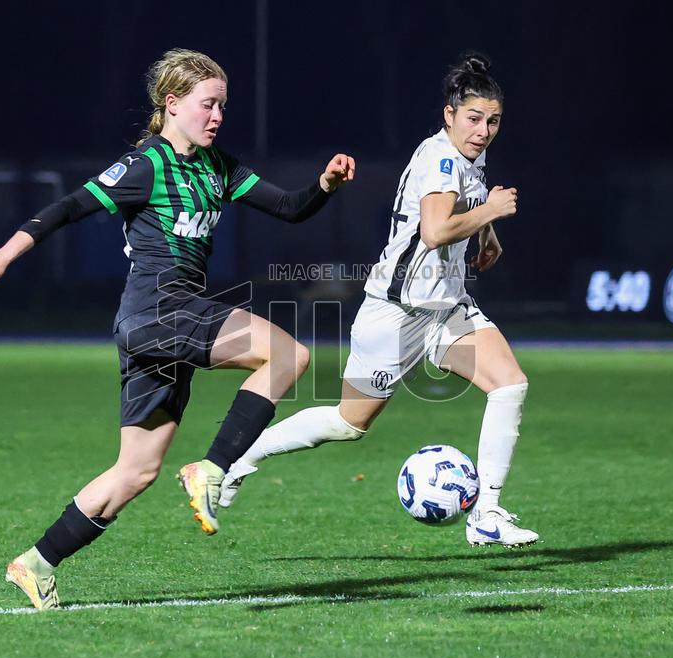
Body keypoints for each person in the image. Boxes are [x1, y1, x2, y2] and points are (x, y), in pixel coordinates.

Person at [0, 48, 355, 610]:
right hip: (160, 310)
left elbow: (288, 207)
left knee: (135, 471)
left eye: (223, 106)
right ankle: (212, 467)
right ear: (172, 103)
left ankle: (36, 562)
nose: (217, 116)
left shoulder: (220, 167)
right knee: (287, 355)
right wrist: (4, 254)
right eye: (208, 105)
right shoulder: (145, 165)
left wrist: (326, 185)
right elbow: (67, 208)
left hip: (162, 325)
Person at [219, 52, 538, 548]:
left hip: (445, 309)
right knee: (350, 423)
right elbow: (433, 231)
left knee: (509, 384)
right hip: (396, 314)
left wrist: (486, 229)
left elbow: (461, 205)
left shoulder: (468, 154)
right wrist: (492, 210)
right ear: (448, 115)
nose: (484, 130)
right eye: (474, 119)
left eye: (493, 121)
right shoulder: (442, 157)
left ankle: (487, 514)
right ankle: (240, 459)